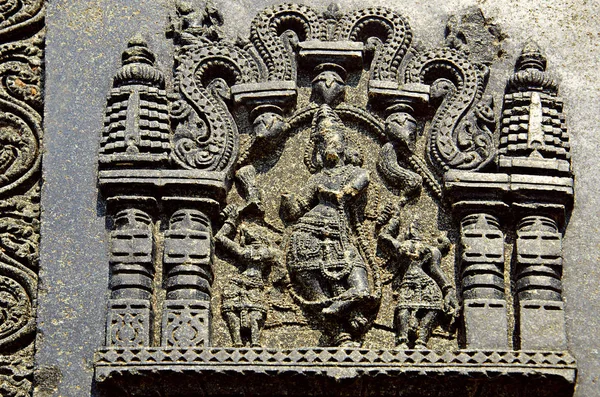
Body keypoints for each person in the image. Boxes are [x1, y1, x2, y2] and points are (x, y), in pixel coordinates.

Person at [280, 104, 373, 347]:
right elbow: (296, 210)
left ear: (344, 144)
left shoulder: (357, 172)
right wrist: (287, 199)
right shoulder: (316, 178)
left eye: (333, 139)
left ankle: (340, 306)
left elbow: (350, 192)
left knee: (363, 289)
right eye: (323, 143)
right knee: (315, 290)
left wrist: (334, 193)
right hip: (308, 235)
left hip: (340, 235)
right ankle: (341, 333)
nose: (328, 145)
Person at [379, 217, 458, 349]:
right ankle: (421, 341)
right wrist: (447, 288)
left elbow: (383, 236)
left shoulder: (402, 246)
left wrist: (395, 217)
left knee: (403, 308)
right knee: (431, 309)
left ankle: (403, 341)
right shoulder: (431, 250)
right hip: (428, 283)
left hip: (409, 282)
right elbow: (435, 271)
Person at [215, 204, 281, 347]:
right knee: (234, 312)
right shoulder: (263, 252)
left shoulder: (255, 253)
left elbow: (221, 237)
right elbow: (219, 238)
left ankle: (250, 342)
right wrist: (231, 220)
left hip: (249, 285)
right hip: (242, 284)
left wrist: (231, 221)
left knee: (255, 315)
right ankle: (239, 341)